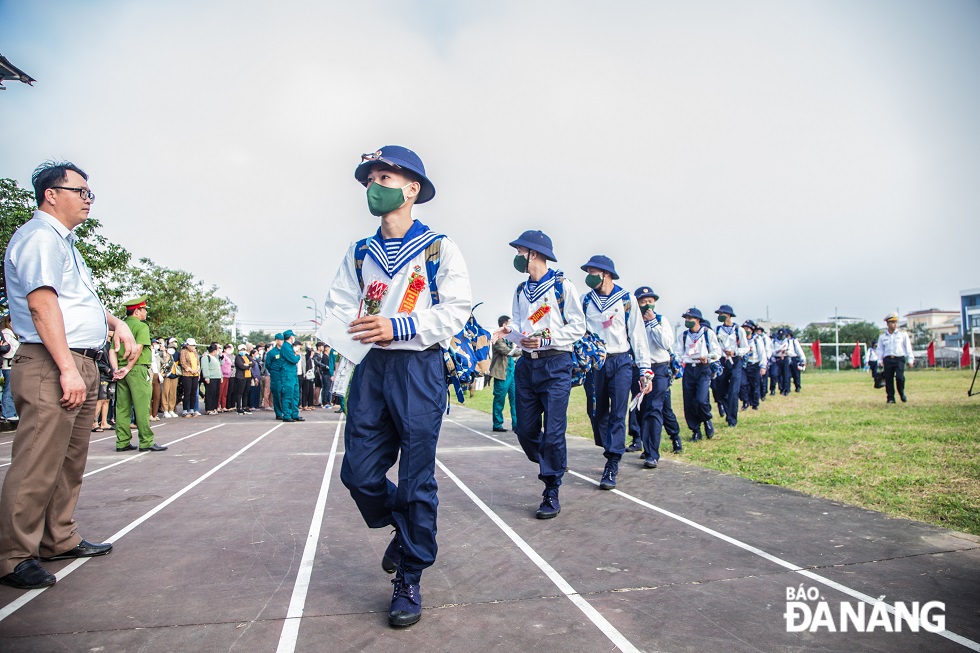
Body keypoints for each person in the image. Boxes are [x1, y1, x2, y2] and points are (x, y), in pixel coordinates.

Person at [324, 145, 471, 628]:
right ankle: (405, 527)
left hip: (418, 368)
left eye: (385, 178)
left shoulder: (438, 248)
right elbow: (340, 305)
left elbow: (457, 310)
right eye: (369, 179)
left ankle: (409, 574)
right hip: (372, 369)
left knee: (415, 479)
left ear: (411, 190)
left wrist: (399, 326)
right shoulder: (360, 251)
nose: (374, 186)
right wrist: (344, 332)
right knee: (358, 474)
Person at [0, 160, 138, 590]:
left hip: (77, 360)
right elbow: (43, 305)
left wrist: (116, 323)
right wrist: (65, 368)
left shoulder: (64, 242)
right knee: (37, 463)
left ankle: (57, 537)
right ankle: (12, 556)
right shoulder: (40, 237)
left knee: (68, 462)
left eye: (89, 192)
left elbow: (76, 302)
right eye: (80, 191)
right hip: (51, 362)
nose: (88, 199)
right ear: (51, 194)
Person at [504, 230, 585, 519]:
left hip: (556, 364)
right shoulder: (519, 290)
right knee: (524, 430)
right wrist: (508, 333)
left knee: (553, 431)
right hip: (527, 365)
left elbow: (578, 326)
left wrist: (546, 338)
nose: (516, 257)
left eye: (519, 252)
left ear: (533, 254)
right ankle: (555, 459)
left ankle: (551, 488)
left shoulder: (563, 287)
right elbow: (517, 325)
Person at [579, 255, 650, 490]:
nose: (589, 276)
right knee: (596, 412)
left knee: (619, 411)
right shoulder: (585, 301)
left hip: (620, 360)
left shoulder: (626, 300)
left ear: (606, 274)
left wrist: (644, 369)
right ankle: (608, 443)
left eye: (593, 271)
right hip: (595, 362)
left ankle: (612, 462)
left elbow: (638, 336)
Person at [110, 296, 166, 452]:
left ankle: (122, 441)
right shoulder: (142, 327)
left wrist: (117, 369)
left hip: (120, 370)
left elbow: (112, 351)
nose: (145, 313)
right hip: (136, 368)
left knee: (122, 407)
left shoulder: (119, 327)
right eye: (143, 310)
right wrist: (128, 367)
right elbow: (139, 348)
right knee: (142, 406)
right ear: (136, 311)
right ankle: (146, 441)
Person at [633, 287, 681, 466]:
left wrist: (653, 324)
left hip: (658, 369)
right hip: (638, 370)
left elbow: (667, 343)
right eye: (643, 301)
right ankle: (646, 446)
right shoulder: (633, 322)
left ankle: (653, 453)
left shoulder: (661, 320)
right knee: (640, 409)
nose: (647, 304)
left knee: (654, 408)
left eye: (650, 301)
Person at [675, 308, 721, 442]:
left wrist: (708, 357)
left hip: (703, 368)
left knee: (701, 399)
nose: (688, 321)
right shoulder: (683, 336)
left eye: (690, 318)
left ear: (698, 320)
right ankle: (695, 430)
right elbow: (678, 353)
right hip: (689, 369)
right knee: (689, 401)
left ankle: (706, 419)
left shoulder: (708, 334)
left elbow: (716, 352)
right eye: (686, 318)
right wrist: (681, 360)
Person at [712, 305, 748, 428]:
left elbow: (745, 347)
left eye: (722, 313)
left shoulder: (739, 330)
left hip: (735, 361)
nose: (720, 315)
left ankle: (732, 419)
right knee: (720, 389)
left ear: (728, 315)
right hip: (722, 361)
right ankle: (727, 410)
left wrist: (735, 352)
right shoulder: (716, 330)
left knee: (733, 390)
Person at [489, 315, 520, 433]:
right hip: (501, 373)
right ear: (504, 325)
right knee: (499, 399)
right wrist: (522, 350)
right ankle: (497, 424)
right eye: (509, 323)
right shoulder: (497, 337)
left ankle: (516, 424)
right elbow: (506, 351)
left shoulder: (510, 338)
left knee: (515, 399)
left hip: (512, 372)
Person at [875, 313, 914, 404]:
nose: (895, 324)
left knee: (900, 378)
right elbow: (880, 350)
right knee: (889, 379)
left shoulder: (902, 334)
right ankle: (891, 398)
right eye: (892, 322)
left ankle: (901, 393)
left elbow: (908, 347)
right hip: (888, 359)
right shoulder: (882, 337)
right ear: (887, 324)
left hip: (899, 358)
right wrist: (880, 360)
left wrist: (910, 359)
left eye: (896, 322)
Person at [739, 321, 767, 411]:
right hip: (743, 365)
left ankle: (755, 404)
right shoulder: (740, 340)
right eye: (744, 329)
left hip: (754, 365)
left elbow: (762, 353)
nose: (746, 330)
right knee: (742, 384)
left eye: (748, 329)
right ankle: (745, 401)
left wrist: (763, 366)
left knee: (755, 385)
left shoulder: (756, 340)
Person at [279, 331, 303, 422]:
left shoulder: (289, 347)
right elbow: (293, 359)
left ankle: (294, 414)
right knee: (288, 395)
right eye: (293, 336)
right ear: (290, 337)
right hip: (287, 374)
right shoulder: (286, 347)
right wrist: (297, 356)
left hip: (293, 374)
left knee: (295, 395)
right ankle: (287, 414)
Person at [1, 314, 20, 426]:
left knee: (12, 389)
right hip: (8, 365)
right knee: (8, 389)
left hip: (12, 364)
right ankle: (7, 412)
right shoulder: (6, 334)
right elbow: (6, 349)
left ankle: (11, 411)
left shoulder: (12, 334)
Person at [179, 338, 200, 416]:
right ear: (187, 345)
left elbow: (198, 363)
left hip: (195, 374)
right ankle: (185, 410)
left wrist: (197, 370)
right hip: (187, 374)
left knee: (193, 392)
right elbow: (183, 363)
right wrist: (191, 370)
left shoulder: (195, 352)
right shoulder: (183, 352)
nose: (193, 347)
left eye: (194, 345)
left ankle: (192, 409)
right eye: (191, 345)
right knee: (187, 392)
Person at [265, 334, 284, 419]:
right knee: (276, 394)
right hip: (276, 375)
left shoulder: (286, 351)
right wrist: (274, 372)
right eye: (281, 340)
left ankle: (286, 412)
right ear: (277, 341)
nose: (282, 342)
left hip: (284, 375)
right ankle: (279, 413)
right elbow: (268, 365)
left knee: (285, 394)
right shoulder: (271, 352)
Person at [231, 344, 253, 414]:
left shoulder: (247, 356)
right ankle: (239, 407)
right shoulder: (238, 357)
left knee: (246, 392)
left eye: (244, 350)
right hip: (240, 377)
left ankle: (245, 406)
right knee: (240, 392)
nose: (243, 351)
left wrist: (248, 365)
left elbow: (253, 363)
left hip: (248, 376)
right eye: (241, 350)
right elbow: (241, 366)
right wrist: (247, 366)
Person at [201, 343, 223, 414]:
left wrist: (221, 376)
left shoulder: (216, 358)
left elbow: (220, 366)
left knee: (216, 393)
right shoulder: (206, 357)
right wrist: (207, 377)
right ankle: (209, 409)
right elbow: (205, 367)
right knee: (210, 393)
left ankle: (214, 407)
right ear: (214, 351)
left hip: (217, 377)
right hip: (211, 377)